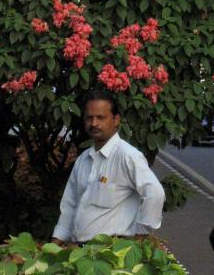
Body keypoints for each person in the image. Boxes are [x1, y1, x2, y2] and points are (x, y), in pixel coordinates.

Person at [52, 90, 165, 245]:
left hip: (113, 256)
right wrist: (53, 246)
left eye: (101, 118)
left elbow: (155, 194)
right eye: (89, 118)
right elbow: (69, 207)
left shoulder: (127, 156)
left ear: (116, 120)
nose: (94, 124)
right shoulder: (83, 160)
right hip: (79, 252)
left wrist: (139, 235)